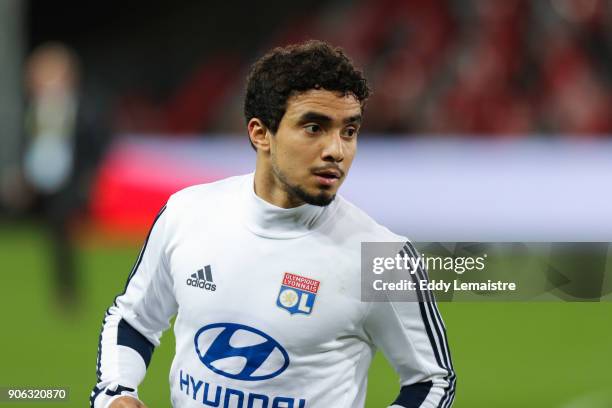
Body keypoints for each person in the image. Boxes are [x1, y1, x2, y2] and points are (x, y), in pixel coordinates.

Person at [91, 40, 455, 408]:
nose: (337, 150)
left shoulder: (380, 257)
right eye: (315, 127)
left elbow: (431, 381)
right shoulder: (186, 213)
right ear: (260, 133)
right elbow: (134, 319)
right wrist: (116, 393)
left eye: (349, 130)